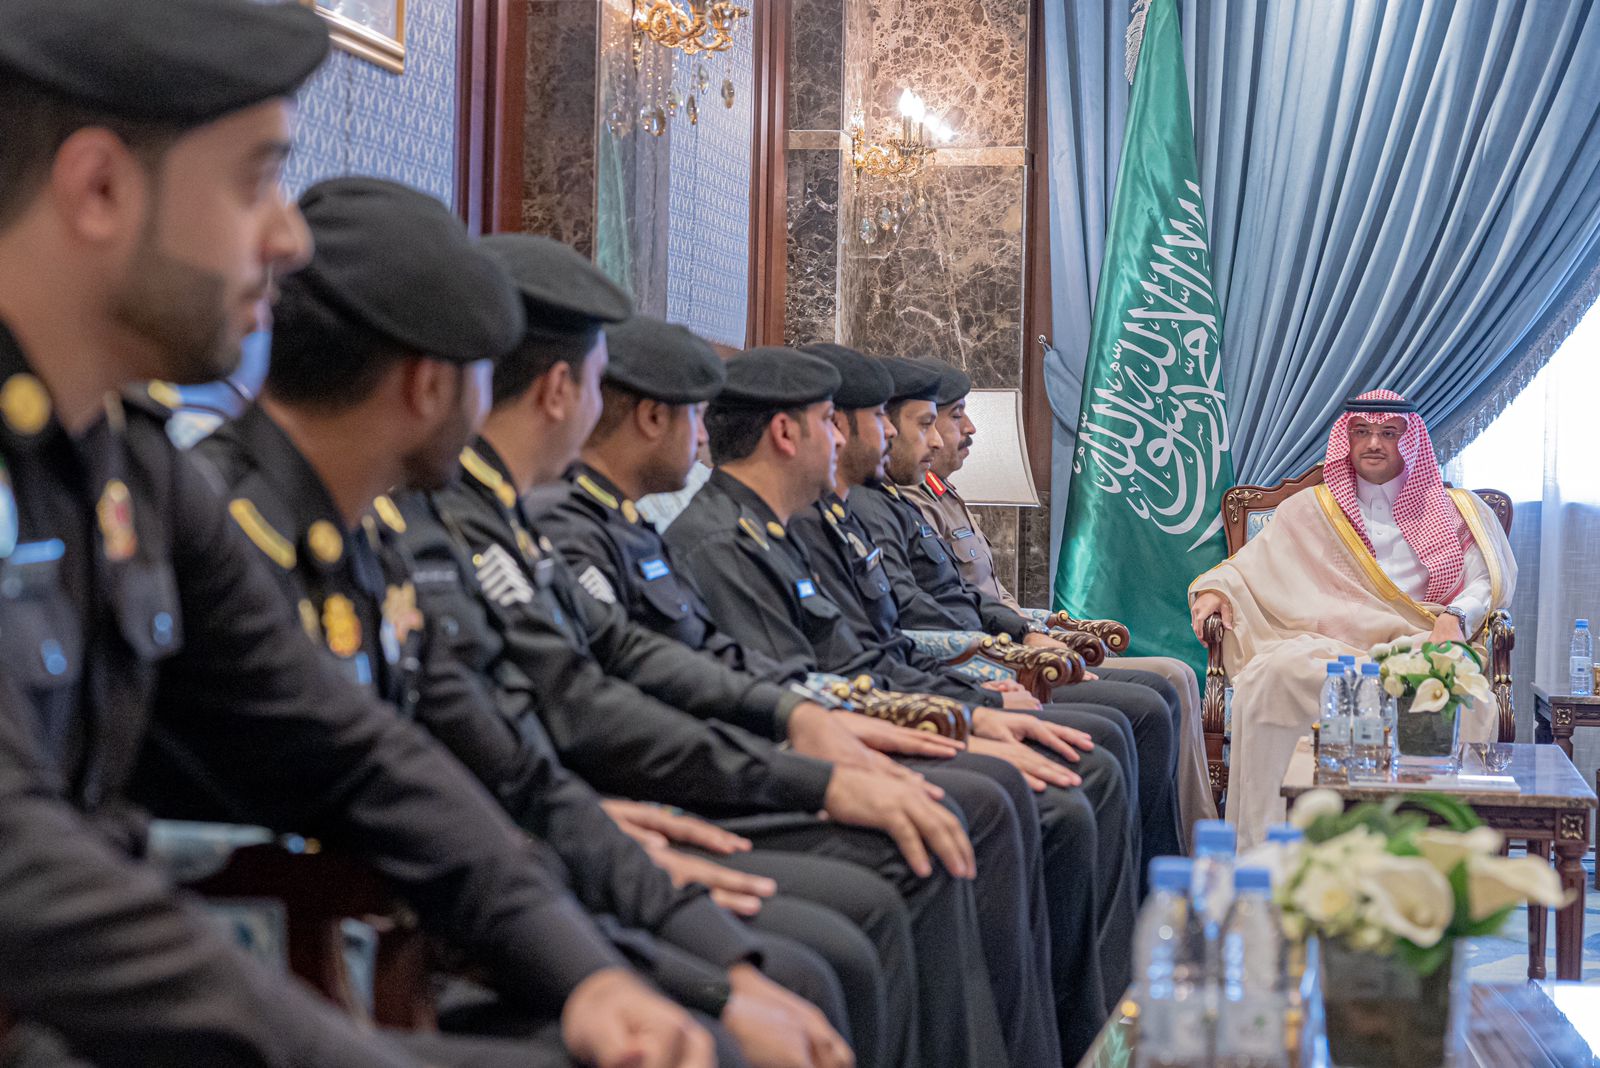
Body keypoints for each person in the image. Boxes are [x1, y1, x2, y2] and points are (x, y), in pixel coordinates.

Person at [0, 2, 722, 1064]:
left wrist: (587, 971)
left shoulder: (125, 464)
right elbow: (21, 861)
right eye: (254, 181)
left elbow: (348, 747)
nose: (287, 238)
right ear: (100, 189)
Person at [191, 176, 855, 1068]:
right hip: (293, 960)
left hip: (420, 914)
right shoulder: (221, 521)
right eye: (483, 374)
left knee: (759, 997)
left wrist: (688, 964)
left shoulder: (369, 535)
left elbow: (489, 767)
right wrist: (666, 974)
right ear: (431, 385)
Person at [405, 237, 1040, 1068]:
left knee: (935, 836)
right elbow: (565, 710)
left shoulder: (522, 518)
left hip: (579, 814)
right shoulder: (496, 524)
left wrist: (805, 719)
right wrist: (807, 758)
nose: (703, 439)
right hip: (555, 835)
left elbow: (647, 657)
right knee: (862, 914)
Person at [844, 355, 1185, 872]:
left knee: (1147, 702)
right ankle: (1149, 889)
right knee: (1125, 722)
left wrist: (1023, 632)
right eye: (926, 422)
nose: (934, 438)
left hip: (959, 666)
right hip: (944, 674)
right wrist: (996, 666)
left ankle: (1156, 882)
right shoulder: (864, 508)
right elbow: (905, 618)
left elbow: (961, 596)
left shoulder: (888, 501)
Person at [1189, 389, 1516, 848]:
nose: (1374, 443)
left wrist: (1456, 618)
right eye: (1362, 432)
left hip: (1420, 644)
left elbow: (1487, 581)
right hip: (1325, 648)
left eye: (1388, 433)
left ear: (1411, 441)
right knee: (1272, 677)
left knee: (1449, 684)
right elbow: (1247, 566)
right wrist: (1215, 589)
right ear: (1347, 439)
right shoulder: (1310, 509)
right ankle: (1274, 848)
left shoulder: (1458, 510)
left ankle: (1425, 854)